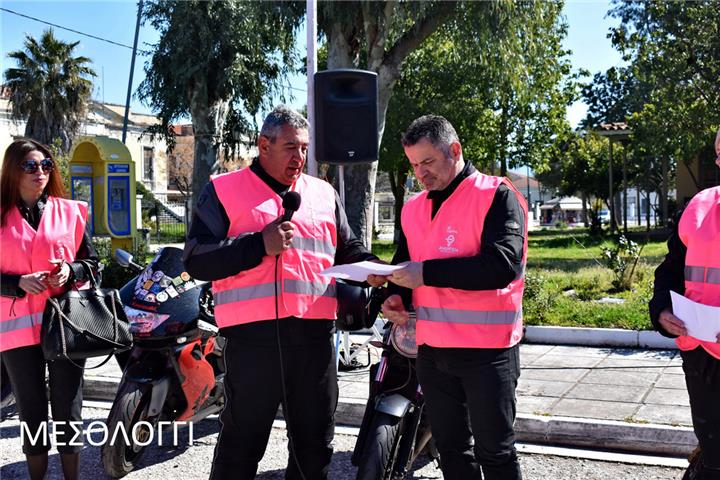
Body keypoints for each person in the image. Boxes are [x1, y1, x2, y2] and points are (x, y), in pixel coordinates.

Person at [183, 105, 377, 479]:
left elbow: (347, 248)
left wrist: (371, 269)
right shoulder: (223, 190)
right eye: (290, 147)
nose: (299, 157)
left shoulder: (322, 193)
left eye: (304, 148)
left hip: (315, 339)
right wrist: (258, 244)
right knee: (242, 445)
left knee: (314, 446)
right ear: (263, 145)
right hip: (253, 342)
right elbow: (196, 260)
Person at [368, 115, 527, 480]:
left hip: (488, 352)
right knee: (452, 450)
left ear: (454, 151)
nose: (420, 174)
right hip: (432, 352)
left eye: (428, 162)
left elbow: (502, 265)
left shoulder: (497, 195)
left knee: (496, 452)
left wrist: (426, 274)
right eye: (413, 165)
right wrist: (395, 297)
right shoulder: (413, 208)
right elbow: (405, 265)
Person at [0, 138, 99, 480]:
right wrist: (15, 283)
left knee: (68, 408)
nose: (40, 171)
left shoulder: (70, 212)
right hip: (16, 329)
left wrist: (70, 271)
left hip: (67, 324)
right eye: (30, 165)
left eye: (46, 165)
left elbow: (92, 264)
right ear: (13, 171)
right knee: (31, 410)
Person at [650, 127, 720, 480]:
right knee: (713, 448)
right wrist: (662, 310)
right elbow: (671, 271)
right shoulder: (700, 206)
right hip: (701, 354)